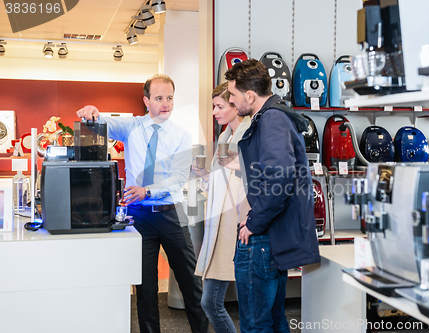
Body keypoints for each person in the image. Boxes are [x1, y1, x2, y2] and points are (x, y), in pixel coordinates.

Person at [76, 74, 209, 333]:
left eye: (169, 98)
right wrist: (91, 113)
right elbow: (102, 123)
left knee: (191, 285)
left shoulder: (181, 136)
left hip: (172, 215)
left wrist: (147, 191)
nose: (165, 104)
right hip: (139, 219)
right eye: (159, 98)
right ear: (146, 100)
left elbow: (178, 178)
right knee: (145, 290)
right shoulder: (132, 127)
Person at [223, 59, 321, 333]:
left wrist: (254, 223)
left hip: (264, 238)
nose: (231, 101)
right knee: (274, 319)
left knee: (257, 324)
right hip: (272, 237)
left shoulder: (272, 120)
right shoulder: (276, 116)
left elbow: (278, 177)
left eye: (232, 95)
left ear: (250, 96)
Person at [192, 82, 251, 333]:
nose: (214, 112)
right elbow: (224, 182)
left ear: (236, 106)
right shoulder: (226, 137)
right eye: (213, 106)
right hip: (221, 228)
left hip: (238, 228)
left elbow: (248, 184)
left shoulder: (247, 137)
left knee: (213, 302)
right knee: (213, 302)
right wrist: (205, 174)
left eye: (219, 106)